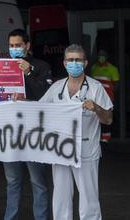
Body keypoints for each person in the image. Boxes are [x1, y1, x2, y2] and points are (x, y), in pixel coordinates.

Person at [0, 29, 53, 220]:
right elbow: (0, 94)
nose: (14, 49)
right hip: (10, 132)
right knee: (12, 181)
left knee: (37, 181)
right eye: (11, 45)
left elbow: (45, 95)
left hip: (33, 132)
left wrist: (29, 72)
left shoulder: (40, 66)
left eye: (18, 45)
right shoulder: (2, 66)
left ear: (27, 46)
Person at [40, 44, 112, 220]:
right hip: (60, 150)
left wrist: (95, 107)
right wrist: (18, 101)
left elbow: (108, 119)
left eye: (78, 60)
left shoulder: (95, 87)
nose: (74, 63)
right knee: (60, 197)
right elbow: (38, 110)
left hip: (86, 150)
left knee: (89, 198)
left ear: (85, 63)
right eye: (70, 60)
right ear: (64, 63)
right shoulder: (56, 87)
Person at [91, 50, 120, 142]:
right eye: (99, 55)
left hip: (108, 98)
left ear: (106, 57)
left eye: (103, 56)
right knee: (95, 116)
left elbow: (117, 84)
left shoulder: (112, 69)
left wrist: (110, 93)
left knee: (106, 117)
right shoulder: (93, 68)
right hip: (95, 97)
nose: (101, 57)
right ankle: (98, 137)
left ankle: (106, 139)